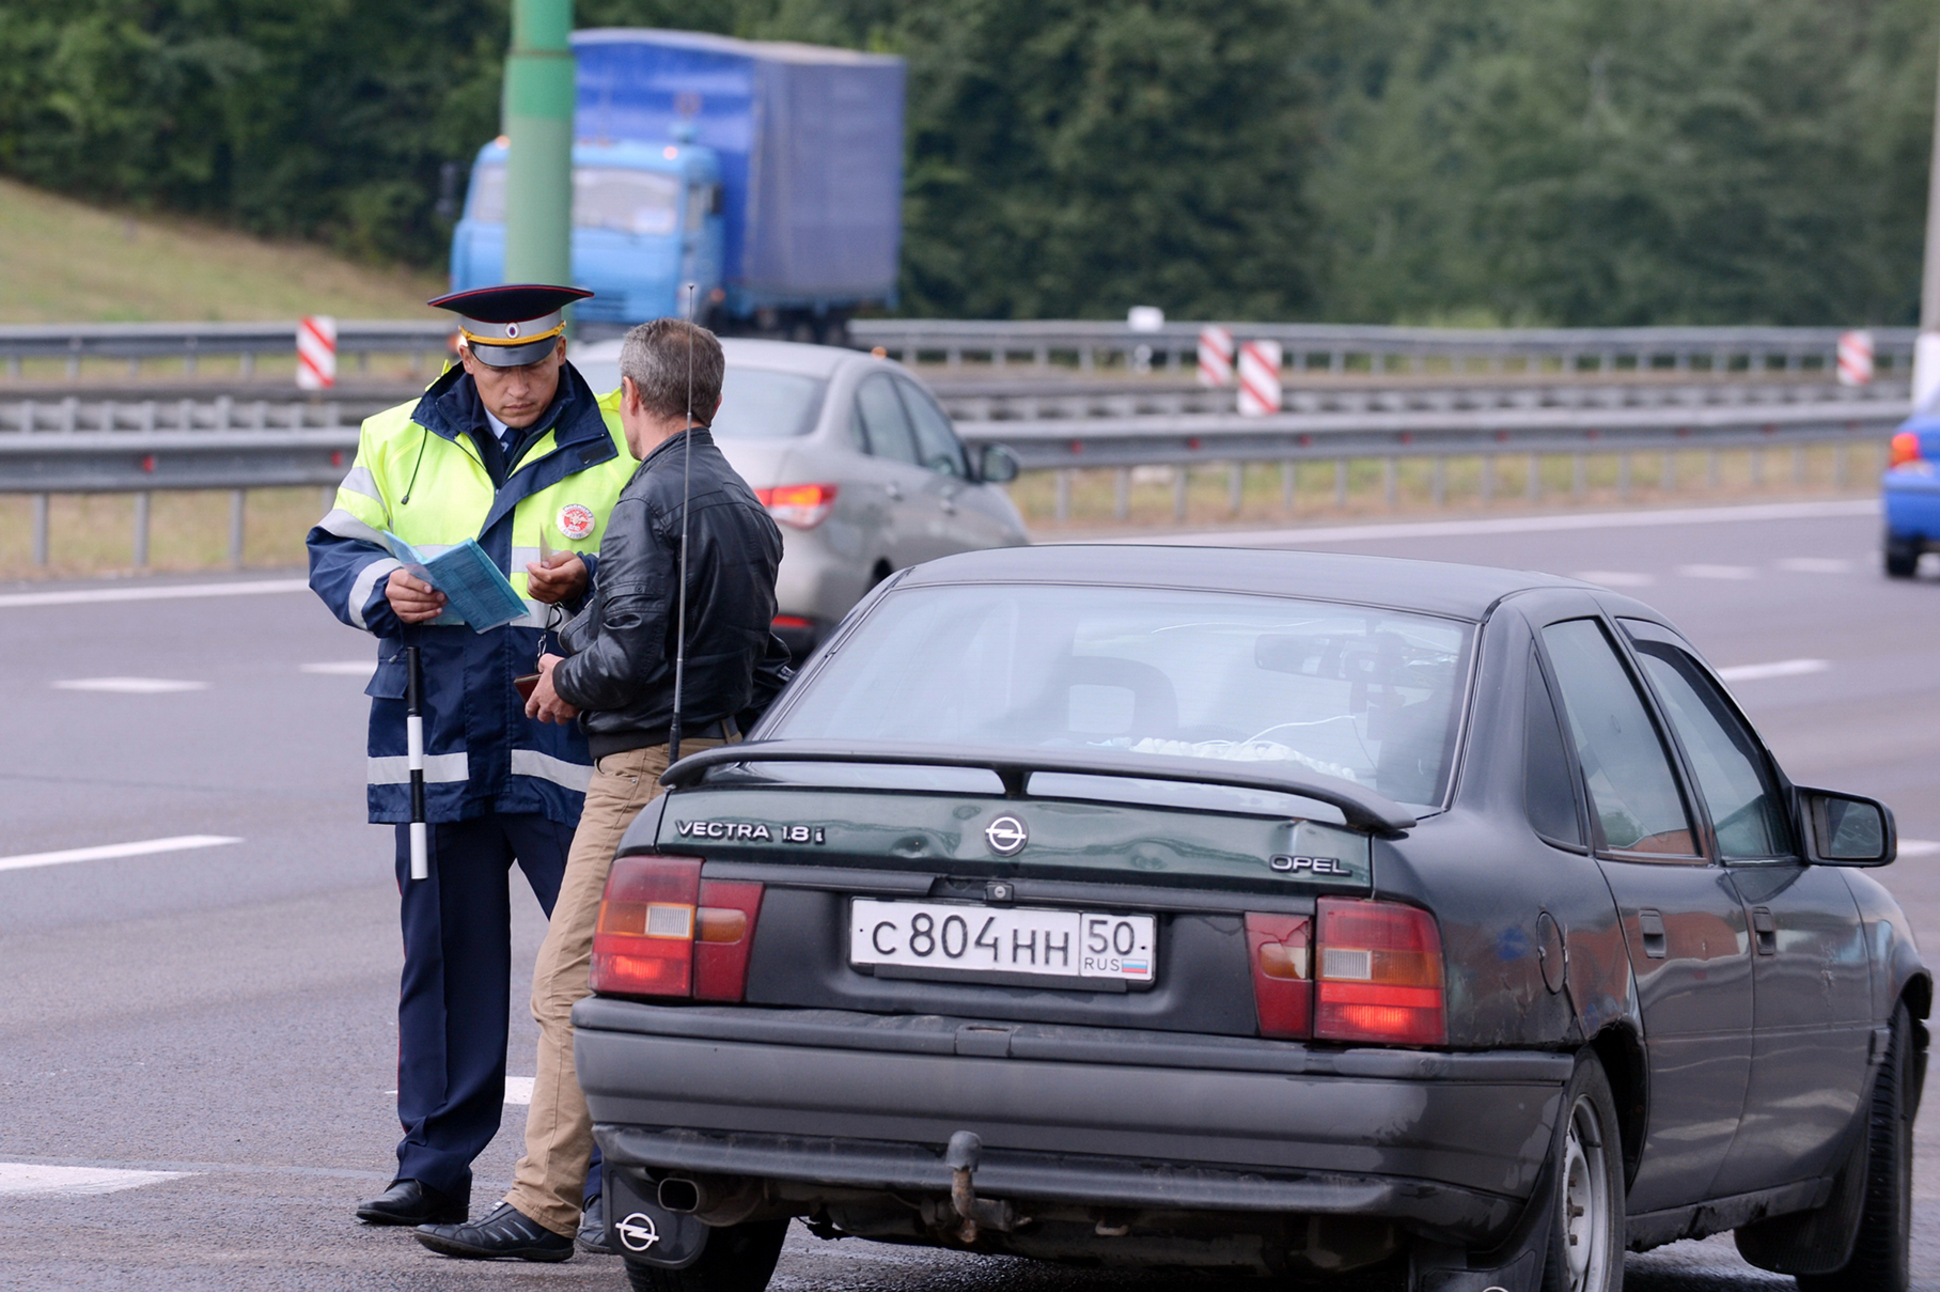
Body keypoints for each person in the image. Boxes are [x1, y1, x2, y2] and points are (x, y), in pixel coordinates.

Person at [415, 318, 790, 1262]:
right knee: (659, 991)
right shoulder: (737, 500)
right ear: (715, 398)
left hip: (636, 771)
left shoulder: (650, 495)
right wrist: (588, 584)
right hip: (714, 759)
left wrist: (560, 676)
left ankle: (544, 1206)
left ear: (631, 394)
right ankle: (637, 1188)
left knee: (568, 984)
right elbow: (727, 646)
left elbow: (633, 652)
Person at [307, 284, 640, 1231]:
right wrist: (383, 587)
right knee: (443, 960)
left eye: (534, 367)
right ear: (464, 355)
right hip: (436, 731)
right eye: (498, 369)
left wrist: (589, 578)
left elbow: (660, 562)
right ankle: (433, 1165)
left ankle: (609, 1175)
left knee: (594, 969)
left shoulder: (616, 437)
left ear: (561, 353)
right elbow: (337, 547)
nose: (518, 388)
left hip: (562, 735)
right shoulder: (397, 436)